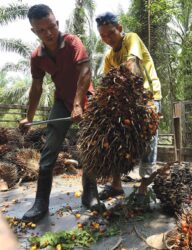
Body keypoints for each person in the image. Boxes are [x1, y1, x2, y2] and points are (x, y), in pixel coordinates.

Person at [19, 4, 103, 222]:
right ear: (33, 31)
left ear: (57, 22)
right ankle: (40, 203)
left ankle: (90, 194)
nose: (48, 33)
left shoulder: (73, 42)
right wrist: (29, 116)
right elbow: (37, 87)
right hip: (61, 102)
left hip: (86, 100)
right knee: (49, 150)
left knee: (90, 148)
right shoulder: (37, 56)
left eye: (52, 26)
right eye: (41, 30)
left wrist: (78, 104)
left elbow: (85, 73)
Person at [95, 12, 162, 201]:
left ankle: (143, 189)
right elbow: (108, 83)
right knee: (117, 139)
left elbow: (131, 65)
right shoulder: (109, 57)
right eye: (103, 36)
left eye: (110, 33)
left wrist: (118, 85)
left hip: (148, 97)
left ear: (120, 29)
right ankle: (116, 185)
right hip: (127, 103)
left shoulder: (131, 39)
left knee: (148, 142)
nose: (107, 39)